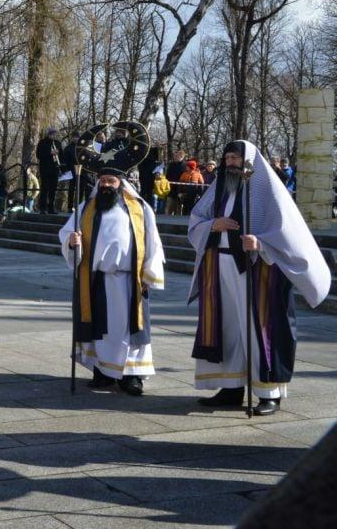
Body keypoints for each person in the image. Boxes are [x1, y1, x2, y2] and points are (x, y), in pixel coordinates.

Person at [189, 141, 330, 415]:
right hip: (221, 266)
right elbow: (197, 219)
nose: (230, 162)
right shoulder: (218, 187)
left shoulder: (268, 191)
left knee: (259, 329)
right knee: (227, 327)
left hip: (258, 270)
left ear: (250, 162)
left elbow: (288, 234)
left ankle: (269, 393)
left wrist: (261, 244)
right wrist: (212, 225)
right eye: (227, 157)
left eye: (236, 157)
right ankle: (231, 388)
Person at [60, 168, 165, 395]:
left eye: (111, 181)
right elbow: (67, 231)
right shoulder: (87, 208)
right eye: (102, 181)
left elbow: (153, 241)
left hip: (130, 281)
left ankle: (132, 376)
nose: (106, 185)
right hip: (98, 280)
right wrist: (71, 240)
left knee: (132, 330)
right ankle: (103, 372)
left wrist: (150, 273)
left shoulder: (139, 208)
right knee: (101, 329)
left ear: (121, 183)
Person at [35, 128, 64, 214]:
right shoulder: (42, 142)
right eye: (52, 134)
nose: (54, 136)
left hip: (55, 169)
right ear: (48, 134)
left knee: (53, 189)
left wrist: (62, 167)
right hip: (45, 169)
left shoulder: (58, 143)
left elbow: (61, 156)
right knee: (44, 189)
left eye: (55, 134)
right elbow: (38, 155)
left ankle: (51, 208)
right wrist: (50, 152)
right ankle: (43, 208)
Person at [165, 149, 187, 215]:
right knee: (168, 209)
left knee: (178, 210)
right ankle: (167, 224)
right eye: (175, 156)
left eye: (177, 156)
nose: (175, 157)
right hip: (170, 190)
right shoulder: (171, 165)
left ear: (181, 157)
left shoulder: (185, 166)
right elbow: (167, 175)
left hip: (180, 191)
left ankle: (178, 225)